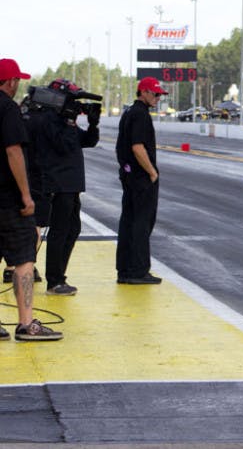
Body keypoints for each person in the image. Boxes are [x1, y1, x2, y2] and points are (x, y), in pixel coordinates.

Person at [0, 58, 62, 340]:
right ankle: (26, 324)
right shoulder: (8, 108)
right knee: (25, 258)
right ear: (11, 82)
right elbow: (13, 152)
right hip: (8, 199)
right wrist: (26, 195)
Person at [26, 80, 100, 295]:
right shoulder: (49, 119)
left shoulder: (65, 121)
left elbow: (86, 141)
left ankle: (59, 276)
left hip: (71, 184)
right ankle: (55, 281)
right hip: (58, 184)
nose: (75, 106)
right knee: (59, 231)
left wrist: (93, 124)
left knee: (72, 229)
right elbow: (63, 145)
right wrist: (69, 120)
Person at [115, 76, 167, 285]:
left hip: (129, 176)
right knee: (141, 223)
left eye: (159, 95)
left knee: (129, 221)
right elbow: (137, 147)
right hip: (141, 179)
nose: (157, 98)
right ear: (143, 92)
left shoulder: (129, 112)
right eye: (155, 94)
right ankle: (138, 270)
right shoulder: (140, 115)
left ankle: (126, 269)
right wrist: (152, 172)